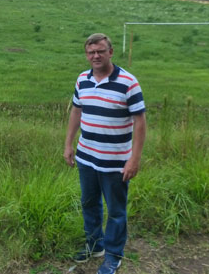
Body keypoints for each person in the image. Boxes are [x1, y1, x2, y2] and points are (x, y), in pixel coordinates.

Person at [63, 33, 146, 274]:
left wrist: (135, 158)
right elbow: (76, 112)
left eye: (100, 51)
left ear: (110, 52)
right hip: (86, 157)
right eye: (91, 52)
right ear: (87, 55)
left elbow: (140, 122)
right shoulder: (82, 80)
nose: (95, 56)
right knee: (89, 203)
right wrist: (68, 145)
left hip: (115, 163)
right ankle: (94, 245)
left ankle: (113, 255)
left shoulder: (128, 82)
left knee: (116, 211)